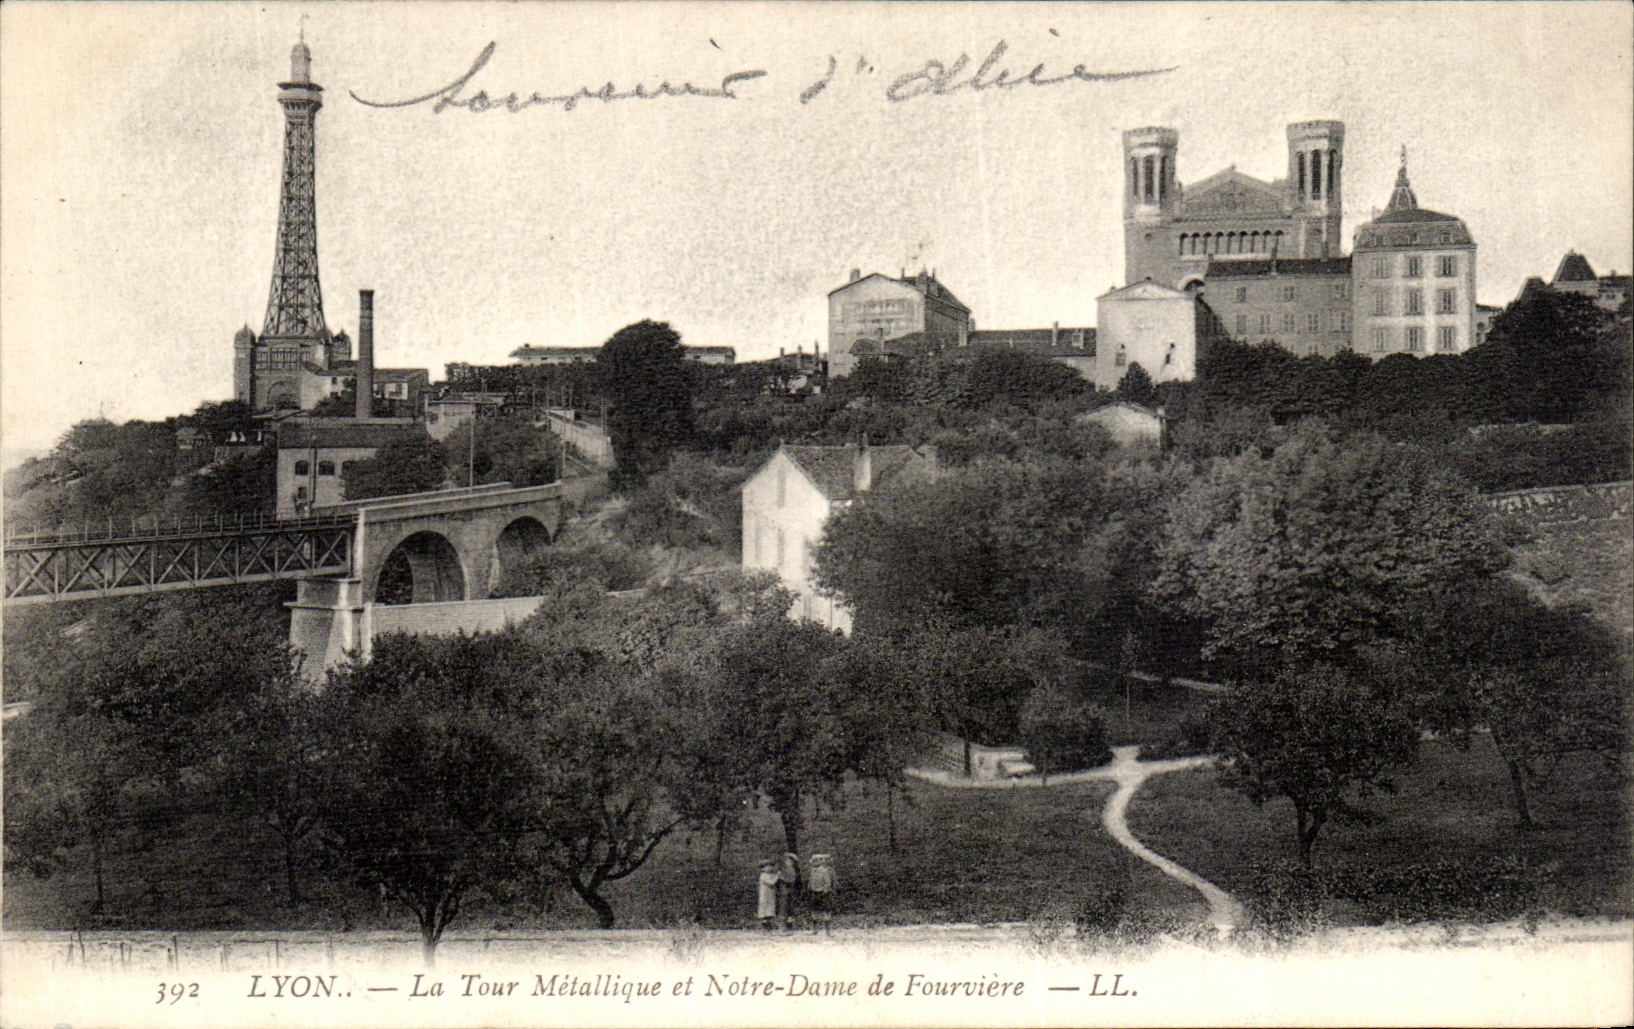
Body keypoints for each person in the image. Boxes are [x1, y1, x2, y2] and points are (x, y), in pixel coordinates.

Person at [807, 853, 836, 935]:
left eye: (816, 861)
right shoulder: (812, 871)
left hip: (822, 894)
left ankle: (827, 930)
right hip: (814, 893)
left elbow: (827, 883)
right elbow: (810, 882)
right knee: (814, 911)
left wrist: (825, 892)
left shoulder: (824, 871)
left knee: (826, 911)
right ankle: (814, 929)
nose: (814, 863)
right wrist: (810, 889)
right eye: (813, 862)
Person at [775, 852, 802, 930]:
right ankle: (783, 925)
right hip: (783, 892)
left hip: (787, 892)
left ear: (792, 862)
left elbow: (791, 880)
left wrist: (781, 877)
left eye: (789, 861)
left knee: (787, 908)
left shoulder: (791, 870)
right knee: (783, 908)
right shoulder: (784, 869)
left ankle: (788, 926)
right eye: (786, 860)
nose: (787, 862)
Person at [756, 860, 779, 931]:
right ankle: (765, 927)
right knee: (765, 910)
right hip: (765, 896)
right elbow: (771, 882)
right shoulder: (763, 876)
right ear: (763, 868)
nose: (769, 868)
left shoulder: (768, 875)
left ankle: (768, 926)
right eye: (767, 867)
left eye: (770, 866)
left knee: (769, 910)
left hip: (769, 895)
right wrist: (777, 876)